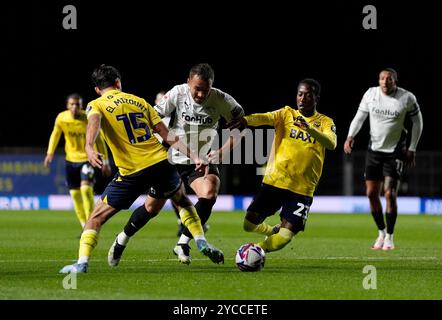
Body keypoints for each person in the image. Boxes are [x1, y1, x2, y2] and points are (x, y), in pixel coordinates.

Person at [59, 65, 224, 274]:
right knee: (183, 201)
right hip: (161, 163)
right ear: (118, 83)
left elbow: (94, 121)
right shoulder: (139, 101)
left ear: (97, 89)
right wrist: (195, 156)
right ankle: (200, 240)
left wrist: (89, 146)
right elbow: (168, 135)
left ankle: (82, 263)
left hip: (132, 171)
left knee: (96, 217)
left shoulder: (96, 104)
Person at [112, 63, 244, 265]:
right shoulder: (177, 93)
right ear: (188, 81)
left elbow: (240, 126)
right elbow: (151, 117)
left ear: (212, 86)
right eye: (196, 89)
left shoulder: (221, 99)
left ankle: (183, 242)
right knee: (151, 208)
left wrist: (220, 152)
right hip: (171, 160)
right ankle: (122, 239)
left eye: (205, 90)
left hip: (200, 161)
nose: (200, 94)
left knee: (209, 194)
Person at [227, 78, 336, 254]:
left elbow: (331, 143)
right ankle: (271, 231)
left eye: (308, 95)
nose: (303, 98)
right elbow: (265, 117)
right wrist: (246, 121)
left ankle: (255, 251)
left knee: (284, 239)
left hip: (302, 189)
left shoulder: (325, 122)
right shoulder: (286, 114)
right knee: (249, 224)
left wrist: (310, 129)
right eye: (300, 94)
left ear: (316, 98)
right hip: (275, 181)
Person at [344, 68, 423, 250]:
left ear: (395, 81)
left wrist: (412, 148)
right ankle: (381, 232)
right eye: (382, 78)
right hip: (374, 151)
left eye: (389, 79)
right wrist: (350, 136)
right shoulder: (371, 94)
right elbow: (359, 117)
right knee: (371, 194)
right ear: (378, 80)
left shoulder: (406, 98)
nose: (385, 82)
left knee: (389, 193)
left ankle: (390, 236)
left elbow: (418, 122)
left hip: (395, 152)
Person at [44, 93, 111, 230]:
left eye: (77, 104)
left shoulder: (89, 118)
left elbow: (99, 140)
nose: (75, 107)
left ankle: (90, 224)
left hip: (87, 159)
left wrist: (105, 162)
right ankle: (83, 224)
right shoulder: (62, 118)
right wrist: (50, 153)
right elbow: (55, 135)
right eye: (72, 104)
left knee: (86, 189)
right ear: (67, 106)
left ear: (81, 105)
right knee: (75, 195)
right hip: (70, 160)